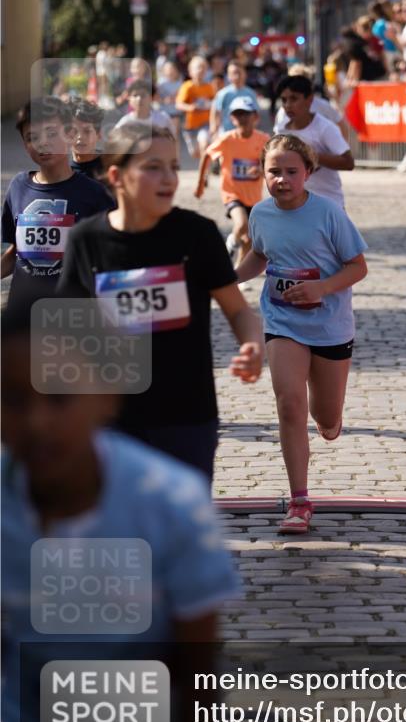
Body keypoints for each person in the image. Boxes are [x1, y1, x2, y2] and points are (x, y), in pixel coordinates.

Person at [1, 291, 240, 722]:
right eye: (15, 400)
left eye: (59, 398)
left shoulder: (171, 503)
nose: (37, 421)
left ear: (107, 397)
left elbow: (199, 670)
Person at [57, 126, 263, 477]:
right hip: (110, 423)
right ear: (117, 176)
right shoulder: (86, 240)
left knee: (178, 530)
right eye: (153, 167)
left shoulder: (197, 234)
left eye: (173, 166)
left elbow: (238, 309)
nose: (169, 178)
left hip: (187, 418)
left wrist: (253, 345)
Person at [236, 134, 368, 535]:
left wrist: (322, 288)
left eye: (292, 172)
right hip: (282, 322)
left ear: (308, 173)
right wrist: (225, 280)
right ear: (263, 173)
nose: (282, 179)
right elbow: (259, 255)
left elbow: (358, 266)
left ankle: (329, 419)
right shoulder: (260, 214)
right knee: (289, 404)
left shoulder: (328, 214)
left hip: (329, 326)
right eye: (274, 171)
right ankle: (299, 500)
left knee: (323, 417)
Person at [1, 97, 114, 303]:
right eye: (32, 137)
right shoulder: (17, 187)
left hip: (71, 315)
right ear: (25, 145)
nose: (42, 142)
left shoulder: (96, 194)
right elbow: (17, 251)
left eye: (52, 133)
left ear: (70, 134)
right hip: (22, 312)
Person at [195, 96, 269, 268]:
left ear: (255, 117)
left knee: (249, 239)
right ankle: (232, 242)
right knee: (241, 224)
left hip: (254, 197)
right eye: (238, 114)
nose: (242, 118)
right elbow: (207, 154)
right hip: (232, 193)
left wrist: (261, 170)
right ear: (231, 119)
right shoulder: (227, 139)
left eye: (246, 114)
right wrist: (200, 184)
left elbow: (272, 162)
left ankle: (238, 273)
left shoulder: (263, 140)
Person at [275, 74, 354, 210]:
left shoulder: (325, 128)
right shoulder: (282, 129)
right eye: (284, 100)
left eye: (294, 99)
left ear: (309, 100)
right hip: (296, 205)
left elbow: (348, 162)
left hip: (329, 204)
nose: (288, 105)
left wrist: (311, 156)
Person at [176, 55, 216, 160]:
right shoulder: (187, 87)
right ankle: (202, 164)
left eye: (203, 68)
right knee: (194, 153)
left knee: (204, 145)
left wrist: (211, 105)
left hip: (205, 124)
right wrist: (191, 108)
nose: (200, 71)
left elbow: (215, 103)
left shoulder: (209, 87)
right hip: (190, 126)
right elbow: (179, 104)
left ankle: (203, 174)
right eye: (197, 68)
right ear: (190, 72)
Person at [209, 60, 259, 136]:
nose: (237, 76)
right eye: (233, 73)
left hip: (246, 134)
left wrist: (252, 128)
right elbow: (216, 112)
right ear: (228, 76)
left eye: (239, 72)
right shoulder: (223, 94)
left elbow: (256, 114)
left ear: (244, 74)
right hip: (227, 133)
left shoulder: (251, 93)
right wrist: (214, 128)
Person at [70, 98, 107, 184]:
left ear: (98, 134)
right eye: (74, 131)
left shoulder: (110, 166)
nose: (80, 137)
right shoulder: (61, 171)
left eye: (87, 131)